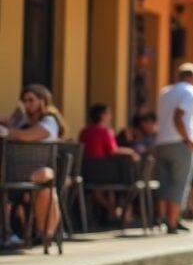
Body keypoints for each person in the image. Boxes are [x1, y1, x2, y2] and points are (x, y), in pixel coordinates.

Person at [0, 84, 66, 243]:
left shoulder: (49, 120)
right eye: (24, 100)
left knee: (42, 179)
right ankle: (8, 231)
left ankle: (40, 232)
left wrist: (8, 132)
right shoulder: (22, 120)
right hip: (15, 173)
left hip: (39, 174)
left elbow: (32, 135)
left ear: (42, 101)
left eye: (31, 100)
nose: (27, 104)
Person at [154, 64, 193, 234]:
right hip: (179, 142)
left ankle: (161, 218)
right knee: (179, 183)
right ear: (191, 77)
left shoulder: (165, 92)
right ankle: (172, 222)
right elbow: (178, 115)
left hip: (161, 142)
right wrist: (187, 138)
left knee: (164, 182)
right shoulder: (190, 91)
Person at [79, 104, 137, 222]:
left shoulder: (84, 131)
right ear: (102, 116)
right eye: (108, 113)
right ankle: (122, 212)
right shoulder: (105, 131)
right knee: (126, 176)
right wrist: (131, 152)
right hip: (103, 173)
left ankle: (113, 212)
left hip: (85, 172)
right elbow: (113, 151)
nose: (111, 116)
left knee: (98, 190)